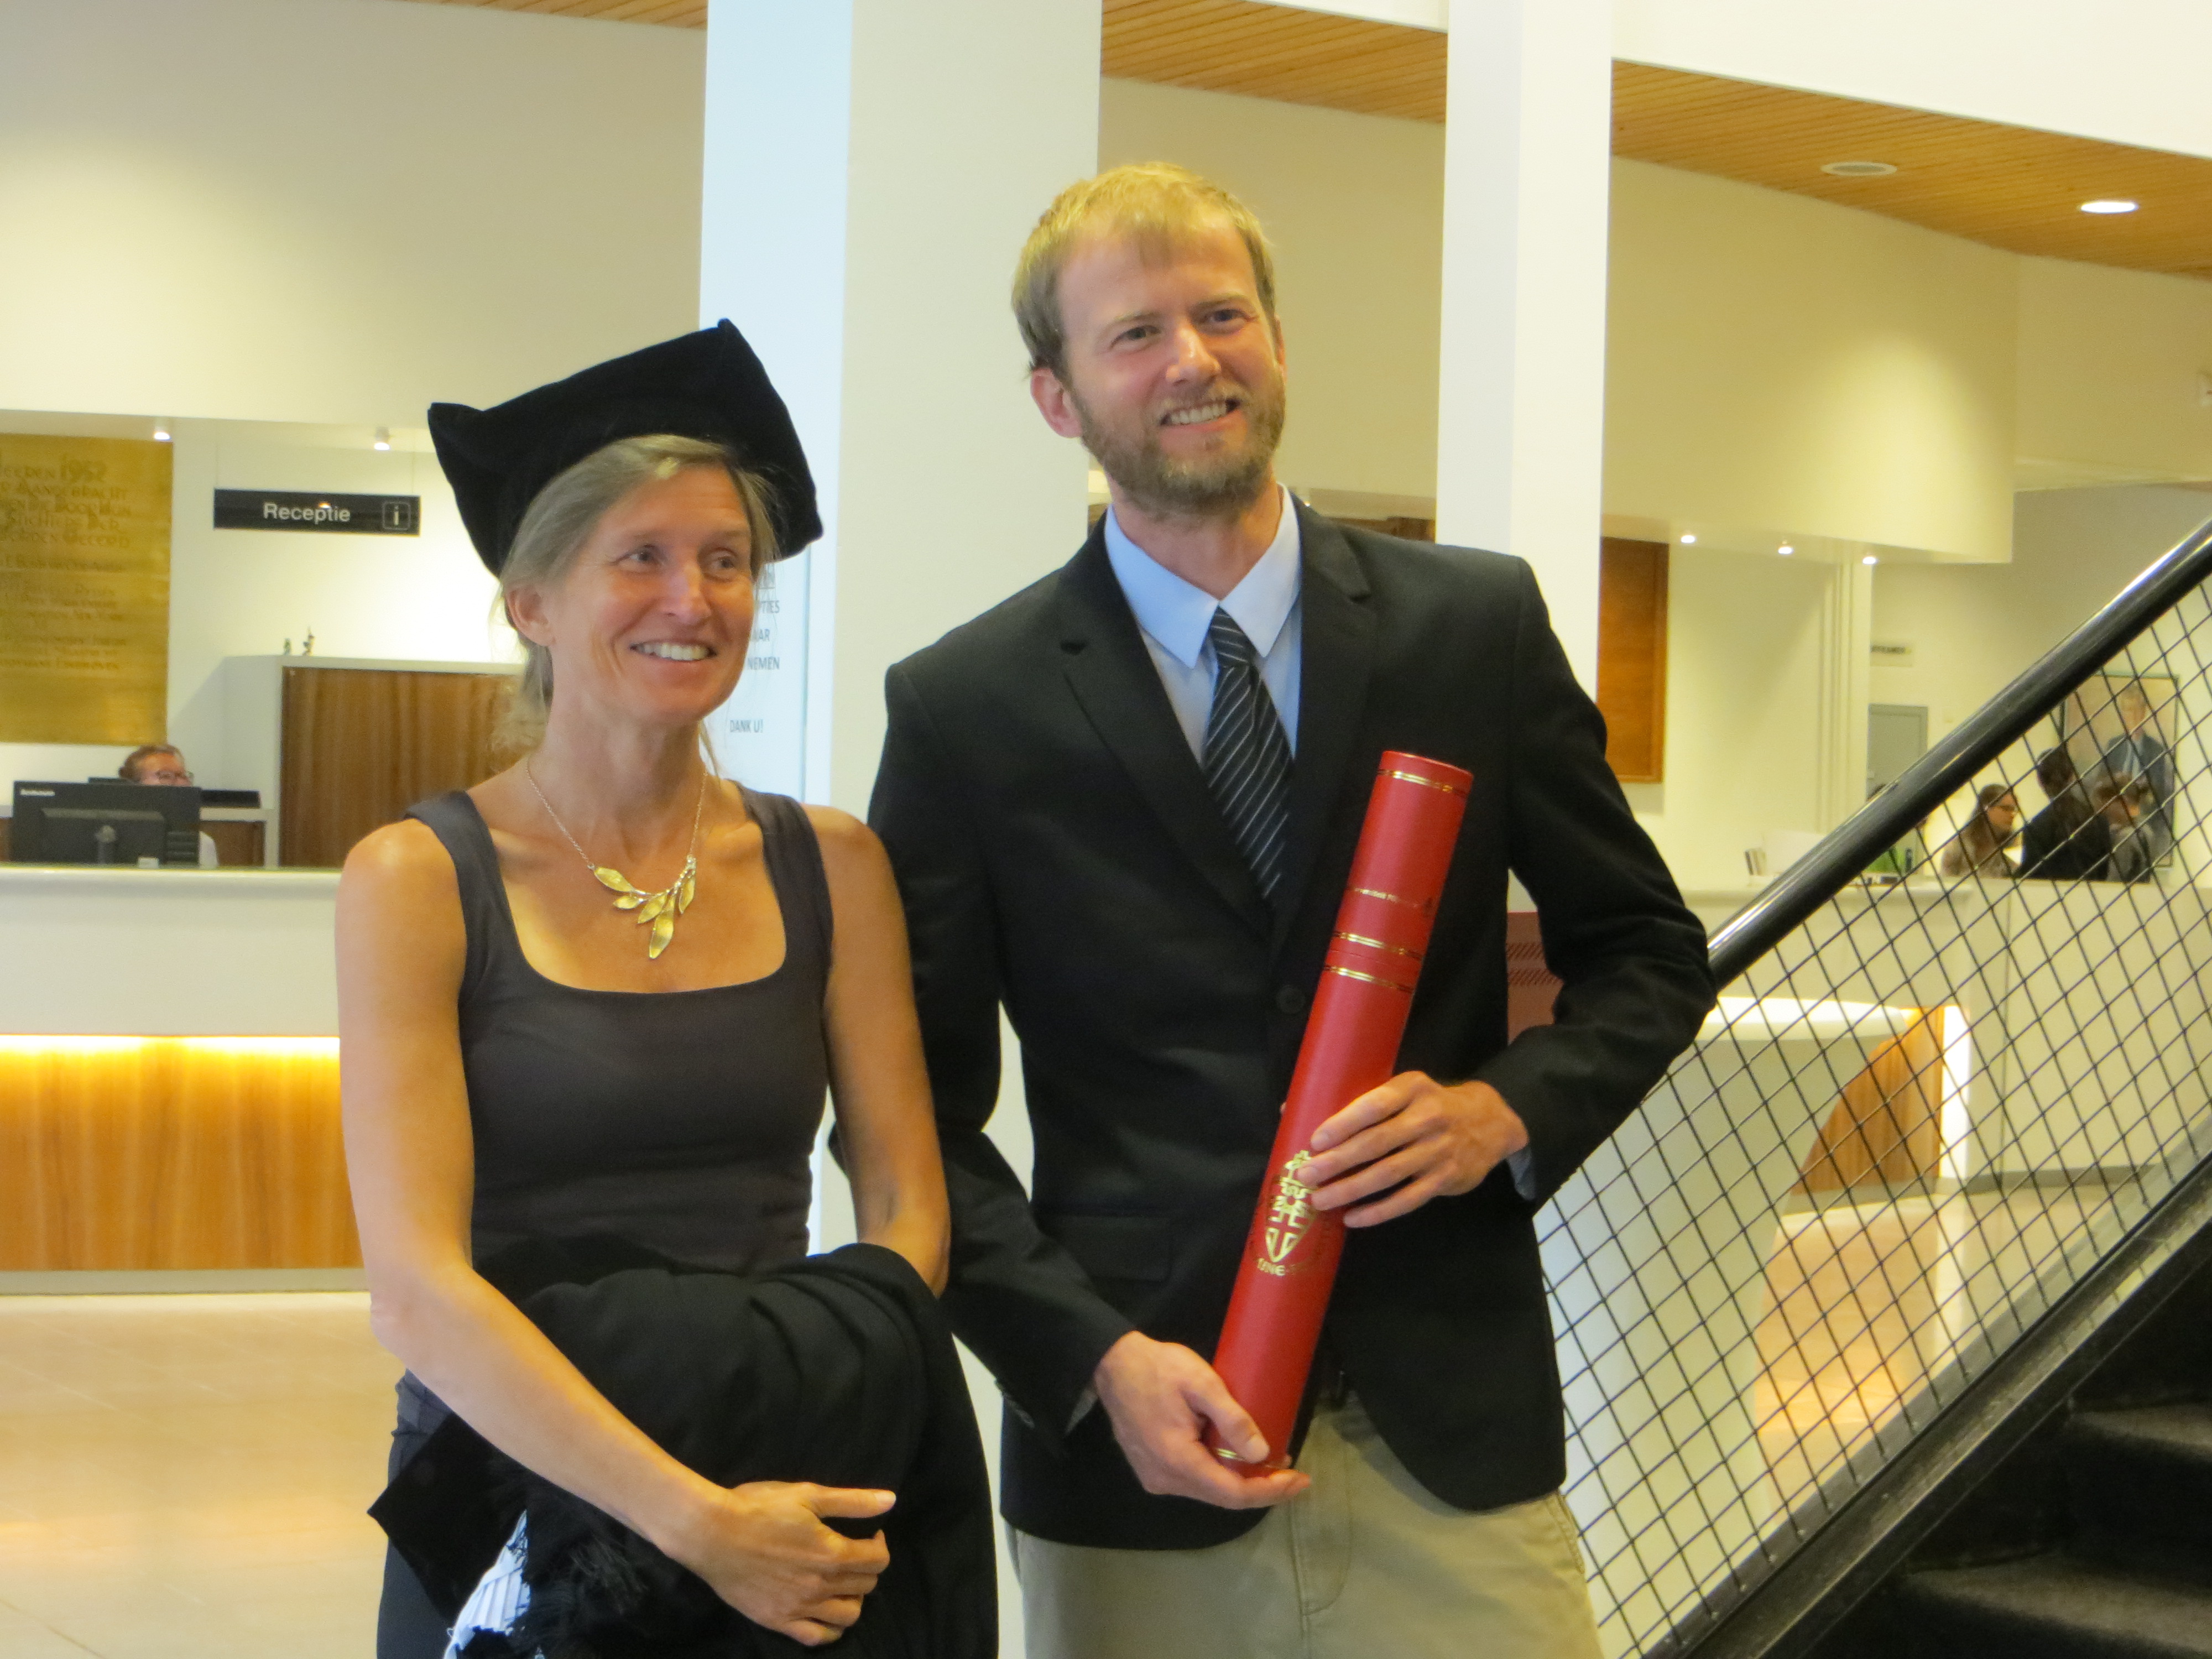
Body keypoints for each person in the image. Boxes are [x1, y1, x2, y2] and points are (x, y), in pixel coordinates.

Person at [869, 164, 1715, 1659]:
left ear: (1275, 339)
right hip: (1140, 1452)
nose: (1192, 361)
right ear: (1057, 398)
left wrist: (1505, 1111)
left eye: (1222, 315)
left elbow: (1647, 950)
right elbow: (908, 1125)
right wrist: (1089, 1361)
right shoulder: (966, 707)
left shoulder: (1473, 627)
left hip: (1448, 1437)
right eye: (1135, 334)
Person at [339, 323, 973, 1656]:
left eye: (725, 561)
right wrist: (692, 1520)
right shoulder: (419, 877)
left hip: (787, 1462)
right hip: (520, 1482)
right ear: (532, 603)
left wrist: (836, 1378)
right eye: (640, 557)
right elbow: (418, 1289)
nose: (692, 598)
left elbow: (907, 1199)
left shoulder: (831, 864)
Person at [2100, 680, 2174, 868]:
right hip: (2114, 823)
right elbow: (2101, 788)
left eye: (2136, 709)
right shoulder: (2113, 747)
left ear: (2144, 712)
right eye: (2128, 710)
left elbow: (2158, 795)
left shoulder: (2156, 751)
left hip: (2143, 823)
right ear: (2122, 714)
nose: (2132, 716)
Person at [2019, 748, 2111, 881]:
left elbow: (2031, 877)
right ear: (2073, 777)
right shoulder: (2099, 822)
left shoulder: (2035, 827)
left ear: (2039, 780)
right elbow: (2103, 872)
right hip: (2089, 892)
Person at [119, 743, 219, 865]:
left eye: (183, 776)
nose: (181, 783)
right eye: (165, 776)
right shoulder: (115, 837)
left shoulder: (202, 843)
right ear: (135, 785)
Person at [1936, 784, 2018, 879]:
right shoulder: (1959, 847)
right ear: (1987, 808)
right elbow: (1945, 881)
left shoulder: (2010, 855)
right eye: (2006, 809)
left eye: (2014, 810)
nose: (2012, 815)